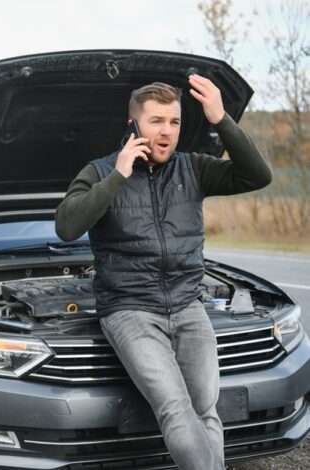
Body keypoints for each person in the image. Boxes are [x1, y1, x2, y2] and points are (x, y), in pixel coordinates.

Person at [54, 75, 272, 470]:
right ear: (133, 124)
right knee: (174, 407)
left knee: (206, 409)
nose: (167, 131)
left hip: (189, 307)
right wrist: (117, 176)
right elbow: (67, 227)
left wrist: (221, 119)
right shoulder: (101, 170)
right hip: (130, 310)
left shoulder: (193, 169)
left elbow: (258, 176)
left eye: (173, 121)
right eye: (156, 121)